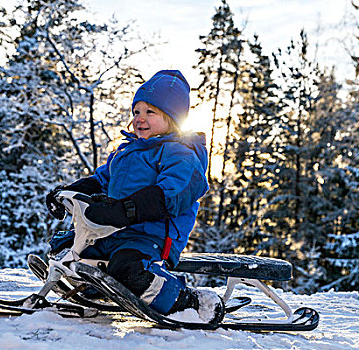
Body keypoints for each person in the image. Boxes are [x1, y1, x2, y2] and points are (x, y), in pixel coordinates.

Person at [46, 70, 225, 324]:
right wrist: (68, 193)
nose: (140, 118)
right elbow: (101, 180)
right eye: (136, 112)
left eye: (150, 112)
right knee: (68, 250)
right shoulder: (126, 153)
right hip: (114, 231)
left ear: (171, 118)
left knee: (127, 268)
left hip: (152, 238)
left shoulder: (181, 154)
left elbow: (170, 195)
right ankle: (98, 288)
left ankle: (187, 301)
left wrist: (123, 210)